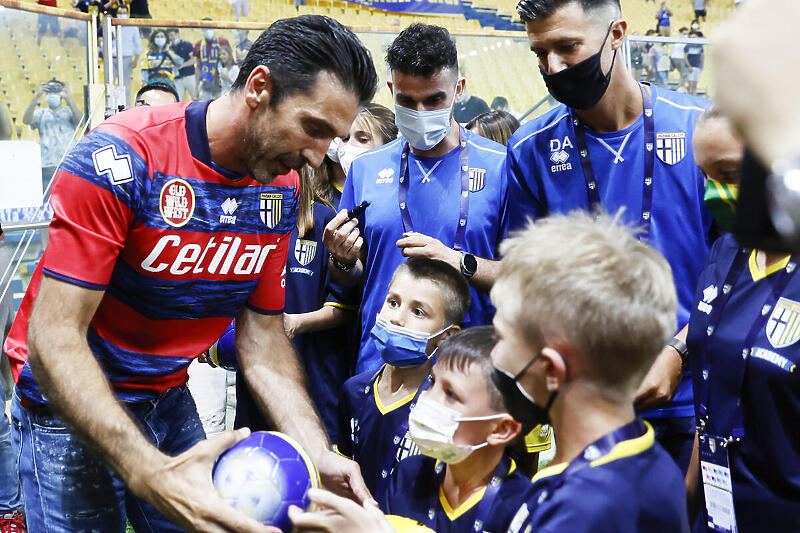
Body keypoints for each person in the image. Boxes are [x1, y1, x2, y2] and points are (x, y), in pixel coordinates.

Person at [4, 15, 378, 533]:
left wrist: (318, 452)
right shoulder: (120, 159)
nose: (317, 156)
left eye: (331, 140)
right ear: (259, 87)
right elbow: (53, 338)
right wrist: (149, 471)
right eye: (312, 128)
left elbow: (264, 339)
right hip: (68, 405)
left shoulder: (281, 187)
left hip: (165, 393)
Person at [285, 213, 689, 533]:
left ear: (549, 369)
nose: (493, 350)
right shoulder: (644, 460)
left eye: (505, 335)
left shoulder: (578, 507)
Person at [507, 0, 712, 474]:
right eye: (540, 53)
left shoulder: (702, 130)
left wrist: (680, 349)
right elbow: (526, 282)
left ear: (616, 33)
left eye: (566, 47)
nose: (552, 67)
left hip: (695, 399)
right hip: (587, 409)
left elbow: (740, 272)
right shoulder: (530, 151)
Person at [324, 23, 507, 375]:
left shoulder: (501, 167)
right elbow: (356, 276)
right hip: (379, 368)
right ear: (391, 90)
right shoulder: (365, 169)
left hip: (469, 373)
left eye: (434, 99)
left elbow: (525, 278)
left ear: (459, 91)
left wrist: (457, 261)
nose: (421, 113)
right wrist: (343, 260)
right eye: (407, 101)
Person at [683, 105, 800, 533]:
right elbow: (712, 394)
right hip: (717, 514)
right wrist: (687, 501)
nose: (715, 194)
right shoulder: (725, 252)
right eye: (706, 177)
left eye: (729, 174)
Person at [233, 166, 359, 442]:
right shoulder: (246, 218)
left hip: (312, 372)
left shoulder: (324, 221)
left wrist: (295, 323)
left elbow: (344, 308)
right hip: (256, 376)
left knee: (311, 460)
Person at [338, 257, 468, 501]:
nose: (397, 318)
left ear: (448, 336)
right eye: (393, 302)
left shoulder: (447, 411)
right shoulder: (353, 391)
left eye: (418, 312)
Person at [381, 326, 530, 532]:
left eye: (451, 394)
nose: (428, 398)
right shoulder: (408, 475)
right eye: (432, 382)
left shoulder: (525, 509)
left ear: (501, 429)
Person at [321, 103, 397, 209]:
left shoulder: (400, 199)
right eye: (345, 138)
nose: (349, 145)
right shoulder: (321, 203)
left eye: (363, 139)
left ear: (388, 146)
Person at [22, 80, 81, 193]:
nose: (53, 94)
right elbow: (26, 120)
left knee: (69, 200)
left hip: (68, 165)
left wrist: (68, 98)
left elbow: (79, 121)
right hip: (47, 167)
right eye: (49, 91)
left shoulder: (69, 111)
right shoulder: (41, 113)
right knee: (48, 203)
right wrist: (37, 97)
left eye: (56, 90)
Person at [111, 3, 142, 107]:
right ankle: (110, 106)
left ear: (128, 14)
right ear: (116, 14)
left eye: (124, 13)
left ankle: (127, 107)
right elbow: (104, 44)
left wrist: (136, 60)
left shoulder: (133, 27)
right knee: (110, 85)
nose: (122, 14)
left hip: (126, 58)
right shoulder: (111, 26)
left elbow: (138, 45)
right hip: (112, 58)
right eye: (120, 13)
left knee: (125, 85)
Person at [194, 22, 230, 100]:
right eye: (205, 28)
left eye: (209, 27)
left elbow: (229, 61)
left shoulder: (222, 41)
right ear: (202, 30)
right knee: (204, 107)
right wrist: (196, 87)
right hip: (205, 82)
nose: (208, 30)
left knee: (222, 107)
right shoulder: (199, 44)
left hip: (220, 82)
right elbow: (198, 66)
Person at [167, 28, 197, 101]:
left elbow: (194, 59)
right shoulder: (169, 48)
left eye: (172, 35)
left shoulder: (187, 45)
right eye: (169, 36)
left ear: (177, 34)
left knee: (196, 98)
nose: (170, 37)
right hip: (177, 79)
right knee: (178, 100)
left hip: (189, 76)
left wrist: (182, 65)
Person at [685, 31, 705, 96]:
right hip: (690, 66)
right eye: (692, 37)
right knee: (690, 82)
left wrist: (701, 66)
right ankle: (689, 93)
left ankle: (694, 94)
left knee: (695, 82)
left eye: (695, 37)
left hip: (697, 66)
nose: (693, 38)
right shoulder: (687, 46)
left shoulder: (700, 46)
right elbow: (685, 57)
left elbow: (701, 56)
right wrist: (689, 66)